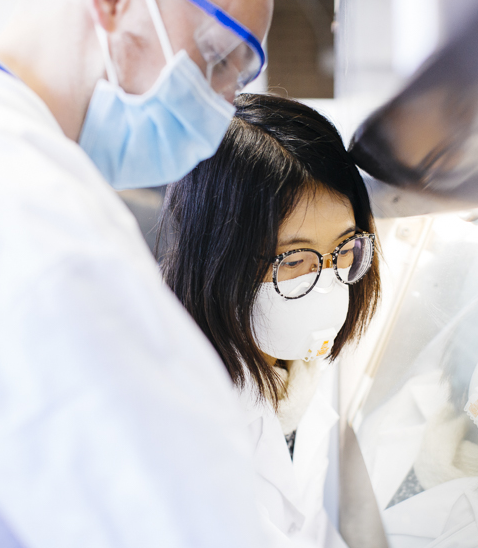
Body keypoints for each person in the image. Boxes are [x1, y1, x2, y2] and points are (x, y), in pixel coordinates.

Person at [0, 0, 273, 547]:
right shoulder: (21, 203)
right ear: (114, 2)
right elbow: (180, 522)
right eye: (216, 57)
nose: (222, 103)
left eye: (238, 79)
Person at [158, 94, 381, 547]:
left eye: (342, 250)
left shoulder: (293, 372)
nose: (327, 282)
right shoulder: (177, 418)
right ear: (219, 258)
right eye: (294, 258)